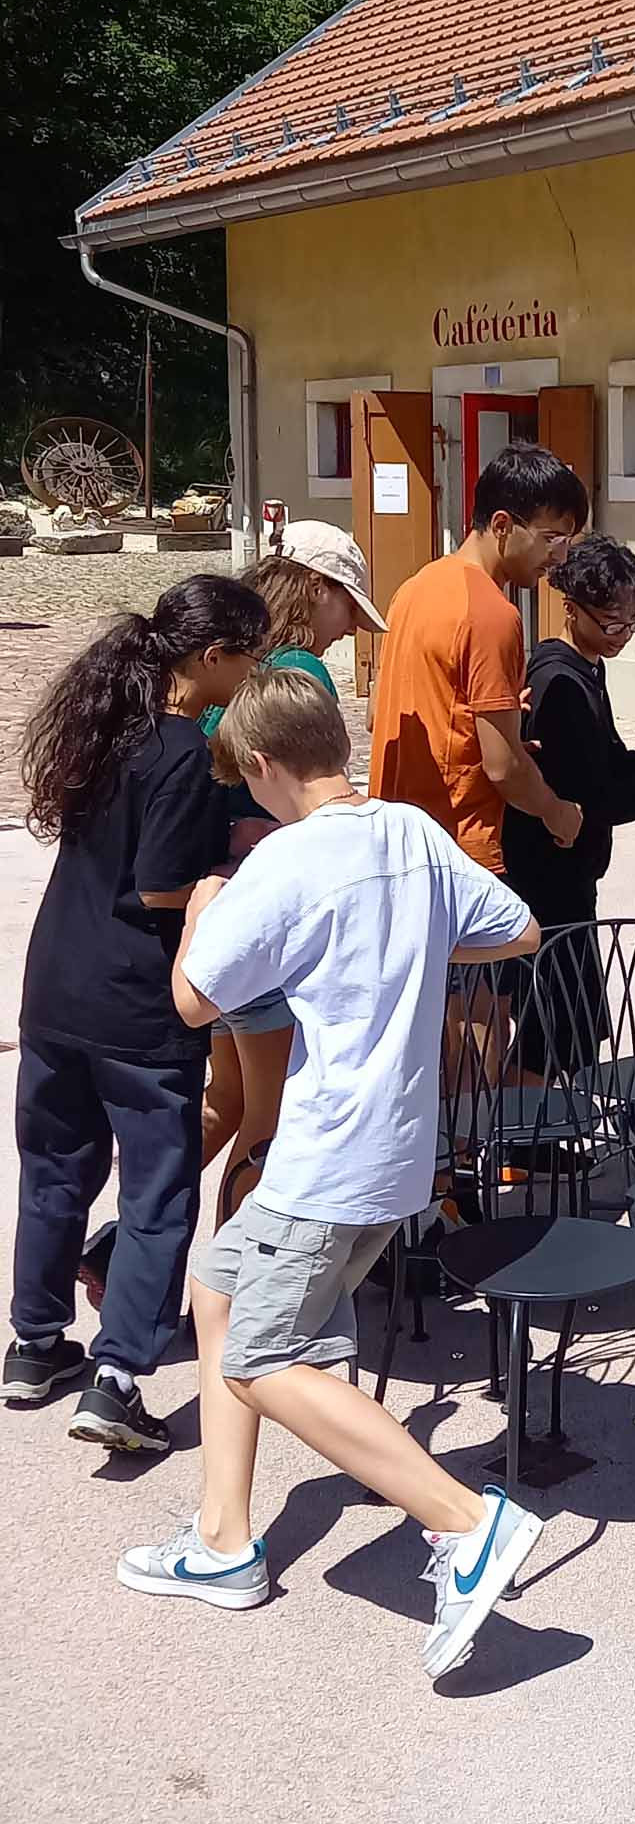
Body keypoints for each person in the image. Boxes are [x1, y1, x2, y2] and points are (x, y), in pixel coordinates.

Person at [118, 666, 546, 1676]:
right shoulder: (410, 831)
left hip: (324, 1155)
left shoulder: (282, 860)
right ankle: (223, 1542)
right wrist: (406, 947)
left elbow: (194, 999)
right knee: (219, 1288)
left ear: (266, 762)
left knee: (260, 1359)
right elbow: (517, 928)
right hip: (394, 1151)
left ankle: (465, 1520)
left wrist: (203, 910)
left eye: (245, 776)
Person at [2, 574, 268, 1455]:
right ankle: (117, 1378)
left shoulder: (105, 723)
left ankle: (36, 1343)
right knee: (157, 1192)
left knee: (54, 1173)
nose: (254, 673)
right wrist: (231, 867)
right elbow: (160, 884)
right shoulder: (185, 748)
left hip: (56, 986)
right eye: (250, 656)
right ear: (213, 656)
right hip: (137, 1006)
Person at [200, 523, 386, 1219]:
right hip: (271, 909)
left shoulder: (231, 665)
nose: (349, 630)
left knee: (227, 1101)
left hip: (218, 899)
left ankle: (124, 1247)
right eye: (347, 607)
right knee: (267, 1119)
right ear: (314, 588)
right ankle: (233, 1272)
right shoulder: (299, 673)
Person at [369, 442, 588, 878]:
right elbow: (503, 767)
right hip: (455, 850)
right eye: (551, 538)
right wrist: (558, 813)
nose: (560, 556)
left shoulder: (414, 588)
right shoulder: (492, 614)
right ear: (502, 524)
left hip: (394, 839)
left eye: (567, 541)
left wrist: (490, 724)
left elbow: (379, 713)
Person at [502, 534, 635, 1074]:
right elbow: (594, 795)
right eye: (610, 623)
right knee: (554, 1029)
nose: (621, 636)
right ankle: (527, 1127)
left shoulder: (587, 668)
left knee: (573, 1025)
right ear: (571, 609)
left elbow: (610, 761)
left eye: (632, 623)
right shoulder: (558, 682)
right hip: (546, 878)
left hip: (572, 876)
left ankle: (545, 1123)